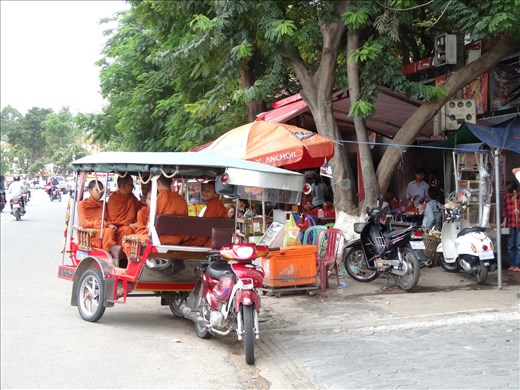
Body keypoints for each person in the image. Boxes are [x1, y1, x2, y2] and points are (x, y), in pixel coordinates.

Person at [183, 181, 228, 247]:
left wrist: (197, 243)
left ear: (216, 194)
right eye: (204, 190)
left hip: (210, 241)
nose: (204, 192)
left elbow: (205, 226)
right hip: (212, 239)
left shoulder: (214, 205)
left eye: (208, 190)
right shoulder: (213, 204)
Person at [77, 180, 117, 251]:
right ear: (89, 190)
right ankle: (107, 252)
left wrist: (110, 224)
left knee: (123, 230)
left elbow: (108, 219)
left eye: (102, 191)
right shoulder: (82, 205)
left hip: (104, 229)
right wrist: (103, 224)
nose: (100, 193)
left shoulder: (104, 204)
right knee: (109, 232)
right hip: (91, 233)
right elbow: (84, 223)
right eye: (97, 190)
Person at [106, 175, 141, 245]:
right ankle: (120, 251)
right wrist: (128, 224)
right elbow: (113, 218)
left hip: (129, 225)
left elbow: (139, 211)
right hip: (115, 226)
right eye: (130, 185)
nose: (133, 187)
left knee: (134, 230)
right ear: (122, 186)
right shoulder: (113, 198)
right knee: (127, 230)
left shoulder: (132, 198)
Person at [156, 175, 188, 245]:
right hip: (178, 238)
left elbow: (152, 221)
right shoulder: (181, 200)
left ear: (157, 183)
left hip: (160, 238)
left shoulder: (160, 198)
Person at [122, 191, 151, 259]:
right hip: (146, 234)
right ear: (146, 200)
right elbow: (141, 229)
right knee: (127, 240)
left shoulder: (162, 210)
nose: (152, 201)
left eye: (154, 199)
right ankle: (131, 261)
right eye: (149, 199)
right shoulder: (141, 212)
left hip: (156, 237)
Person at [501, 180, 519, 272]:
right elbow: (505, 209)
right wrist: (505, 221)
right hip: (511, 223)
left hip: (519, 223)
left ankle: (517, 265)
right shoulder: (507, 196)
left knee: (519, 245)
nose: (510, 194)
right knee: (511, 245)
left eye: (511, 192)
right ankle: (512, 264)